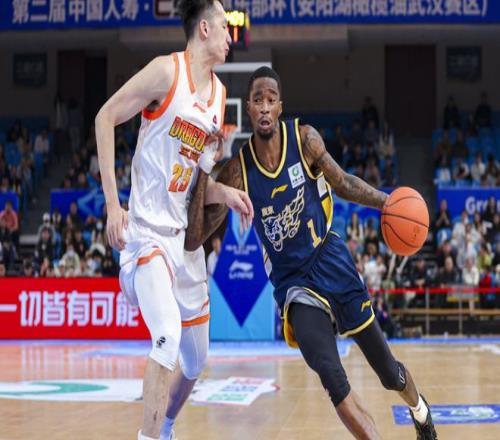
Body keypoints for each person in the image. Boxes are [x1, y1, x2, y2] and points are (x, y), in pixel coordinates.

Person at [185, 67, 437, 439]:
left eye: (271, 99)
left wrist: (386, 203)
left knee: (388, 372)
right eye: (258, 100)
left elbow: (343, 182)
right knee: (333, 378)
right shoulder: (238, 171)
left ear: (280, 106)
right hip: (293, 285)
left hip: (330, 259)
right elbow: (194, 238)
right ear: (248, 109)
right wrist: (205, 166)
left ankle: (420, 411)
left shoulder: (304, 139)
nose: (265, 107)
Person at [94, 1, 252, 439]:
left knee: (197, 360)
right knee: (166, 336)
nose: (230, 36)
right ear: (203, 29)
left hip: (184, 242)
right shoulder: (166, 72)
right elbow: (104, 117)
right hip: (146, 235)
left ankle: (164, 426)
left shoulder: (218, 97)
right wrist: (112, 205)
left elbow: (197, 183)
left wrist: (226, 193)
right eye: (223, 26)